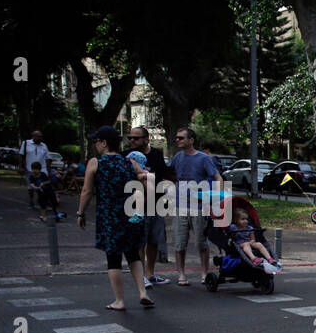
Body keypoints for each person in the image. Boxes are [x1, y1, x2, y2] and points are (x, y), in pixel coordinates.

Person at [77, 125, 153, 311]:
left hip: (109, 215)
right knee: (133, 254)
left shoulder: (96, 163)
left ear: (104, 142)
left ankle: (119, 300)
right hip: (130, 214)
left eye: (96, 141)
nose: (95, 145)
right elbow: (145, 179)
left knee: (113, 259)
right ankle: (143, 292)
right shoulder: (130, 162)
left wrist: (80, 212)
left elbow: (87, 191)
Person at [169, 126, 222, 286]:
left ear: (191, 140)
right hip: (180, 205)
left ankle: (205, 273)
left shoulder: (203, 158)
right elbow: (170, 174)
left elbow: (217, 177)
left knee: (201, 241)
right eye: (177, 138)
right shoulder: (177, 157)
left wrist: (216, 197)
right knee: (179, 242)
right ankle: (181, 274)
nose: (177, 140)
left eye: (181, 138)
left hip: (199, 205)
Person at [127, 127, 171, 285]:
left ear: (146, 139)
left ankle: (150, 273)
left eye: (136, 138)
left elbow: (162, 178)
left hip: (155, 203)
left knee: (154, 240)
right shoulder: (128, 156)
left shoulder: (156, 155)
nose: (132, 140)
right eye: (130, 137)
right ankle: (141, 277)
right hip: (135, 203)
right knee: (140, 241)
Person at [19, 130, 50, 208]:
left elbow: (48, 158)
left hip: (42, 168)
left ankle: (42, 199)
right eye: (38, 136)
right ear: (33, 136)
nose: (40, 138)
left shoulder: (44, 146)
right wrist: (21, 167)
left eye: (41, 137)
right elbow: (21, 155)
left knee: (44, 184)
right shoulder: (26, 143)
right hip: (29, 168)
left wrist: (48, 168)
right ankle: (31, 199)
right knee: (30, 186)